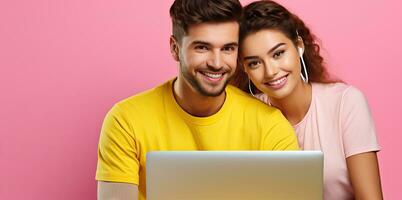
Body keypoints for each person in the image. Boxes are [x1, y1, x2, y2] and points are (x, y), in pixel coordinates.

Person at [95, 0, 300, 199]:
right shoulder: (126, 121)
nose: (217, 63)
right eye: (202, 47)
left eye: (228, 48)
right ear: (175, 48)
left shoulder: (269, 125)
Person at [232, 1, 383, 199]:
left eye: (278, 54)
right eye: (254, 62)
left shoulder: (345, 103)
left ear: (299, 46)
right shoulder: (244, 115)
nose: (270, 71)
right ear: (244, 68)